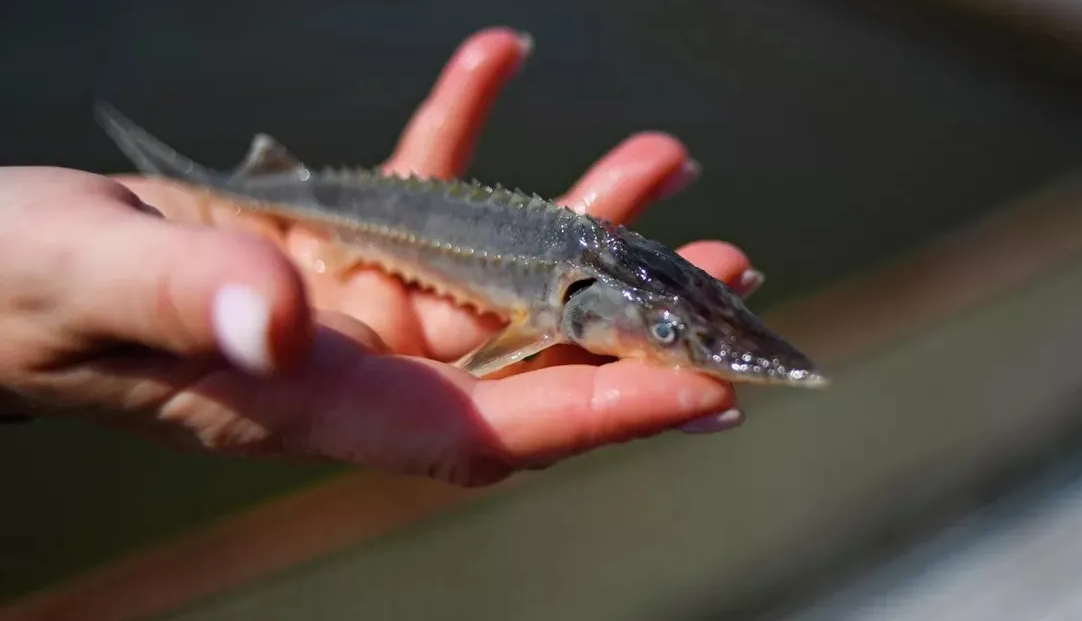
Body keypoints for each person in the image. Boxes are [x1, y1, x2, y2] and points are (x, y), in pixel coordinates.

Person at [0, 28, 759, 486]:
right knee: (213, 190)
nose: (673, 343)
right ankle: (196, 174)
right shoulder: (556, 310)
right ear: (570, 306)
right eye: (666, 334)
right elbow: (493, 361)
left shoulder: (597, 266)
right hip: (324, 218)